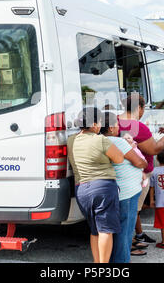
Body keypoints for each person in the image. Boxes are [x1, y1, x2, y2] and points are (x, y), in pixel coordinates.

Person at [118, 93, 164, 254]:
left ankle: (136, 237)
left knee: (128, 209)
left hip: (120, 171)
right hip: (138, 173)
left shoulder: (115, 121)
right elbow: (154, 149)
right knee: (131, 211)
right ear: (139, 108)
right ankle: (128, 245)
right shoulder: (138, 126)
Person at [67, 107, 125, 263]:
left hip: (82, 190)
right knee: (105, 230)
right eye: (99, 121)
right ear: (93, 123)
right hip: (103, 188)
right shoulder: (100, 139)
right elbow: (119, 158)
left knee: (94, 230)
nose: (100, 125)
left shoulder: (71, 140)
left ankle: (97, 263)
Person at [100, 112, 147, 263]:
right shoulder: (117, 142)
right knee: (125, 233)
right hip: (126, 192)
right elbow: (139, 162)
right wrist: (144, 164)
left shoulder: (100, 141)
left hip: (115, 190)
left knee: (115, 232)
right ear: (112, 127)